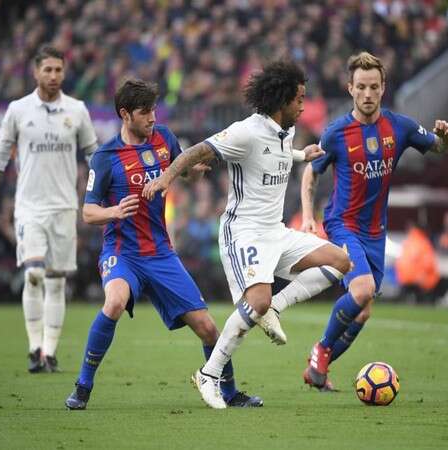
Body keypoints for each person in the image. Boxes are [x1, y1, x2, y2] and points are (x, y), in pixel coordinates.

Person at [143, 61, 352, 408]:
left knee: (340, 261)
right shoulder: (246, 132)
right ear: (282, 100)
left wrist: (302, 155)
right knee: (256, 301)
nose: (303, 106)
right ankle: (209, 374)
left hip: (275, 231)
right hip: (244, 232)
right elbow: (197, 151)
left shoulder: (284, 132)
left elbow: (276, 155)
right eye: (299, 99)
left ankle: (275, 308)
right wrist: (166, 178)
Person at [65, 79, 262, 410]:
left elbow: (186, 173)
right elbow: (88, 212)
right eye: (145, 112)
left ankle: (229, 392)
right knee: (114, 302)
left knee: (208, 328)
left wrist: (196, 171)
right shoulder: (105, 157)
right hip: (123, 253)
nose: (152, 117)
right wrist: (114, 211)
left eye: (154, 110)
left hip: (160, 254)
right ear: (125, 114)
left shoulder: (165, 139)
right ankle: (82, 387)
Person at [276, 51, 448, 390]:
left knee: (363, 310)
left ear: (383, 87)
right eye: (361, 87)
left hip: (376, 231)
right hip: (343, 224)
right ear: (350, 88)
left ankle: (317, 371)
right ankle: (321, 350)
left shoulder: (400, 127)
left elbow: (440, 148)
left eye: (374, 86)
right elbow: (310, 174)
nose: (368, 93)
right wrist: (309, 217)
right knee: (363, 290)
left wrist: (445, 137)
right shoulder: (336, 133)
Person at [0, 45, 98, 373]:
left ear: (64, 72)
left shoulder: (77, 110)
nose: (54, 75)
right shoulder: (18, 110)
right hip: (29, 207)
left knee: (56, 282)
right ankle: (34, 347)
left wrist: (103, 191)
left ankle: (49, 352)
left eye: (58, 70)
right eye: (48, 69)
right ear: (36, 72)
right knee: (33, 274)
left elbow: (94, 156)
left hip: (64, 207)